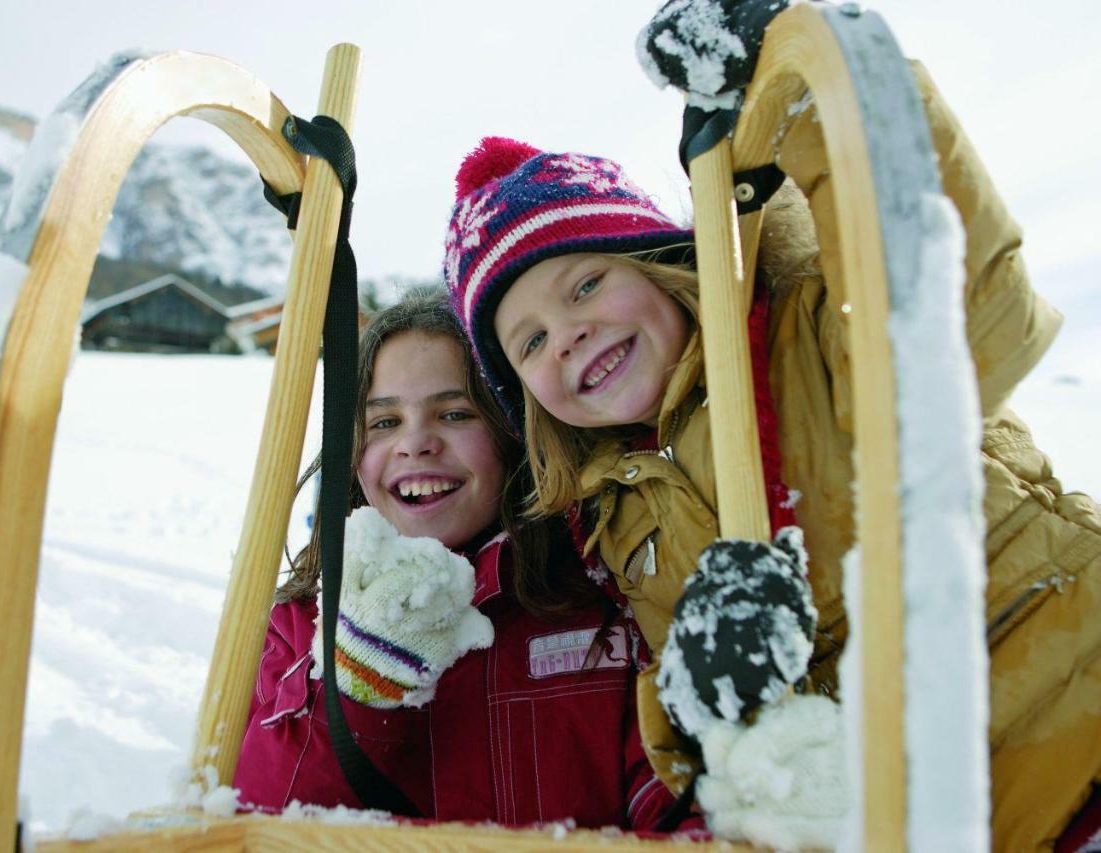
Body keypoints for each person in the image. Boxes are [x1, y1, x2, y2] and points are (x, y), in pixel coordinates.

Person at [441, 66, 1101, 850]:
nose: (569, 333)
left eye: (584, 285)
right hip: (955, 822)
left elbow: (968, 308)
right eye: (532, 341)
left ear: (662, 262)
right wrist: (694, 699)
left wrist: (807, 97)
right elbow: (698, 731)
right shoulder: (616, 513)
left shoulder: (811, 332)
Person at [233, 292, 692, 832]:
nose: (415, 443)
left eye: (454, 413)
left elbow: (676, 806)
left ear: (514, 434)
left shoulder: (606, 594)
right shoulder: (298, 629)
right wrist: (359, 686)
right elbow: (259, 827)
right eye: (383, 422)